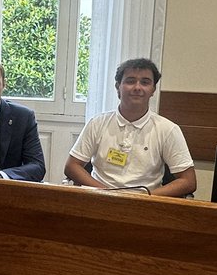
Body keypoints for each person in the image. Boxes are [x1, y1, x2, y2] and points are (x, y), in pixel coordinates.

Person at [64, 58, 196, 197]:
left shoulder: (168, 129)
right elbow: (72, 166)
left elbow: (188, 181)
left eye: (145, 82)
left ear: (153, 90)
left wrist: (145, 198)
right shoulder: (97, 123)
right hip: (100, 199)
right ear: (118, 86)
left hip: (145, 205)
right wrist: (108, 194)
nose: (137, 87)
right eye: (130, 81)